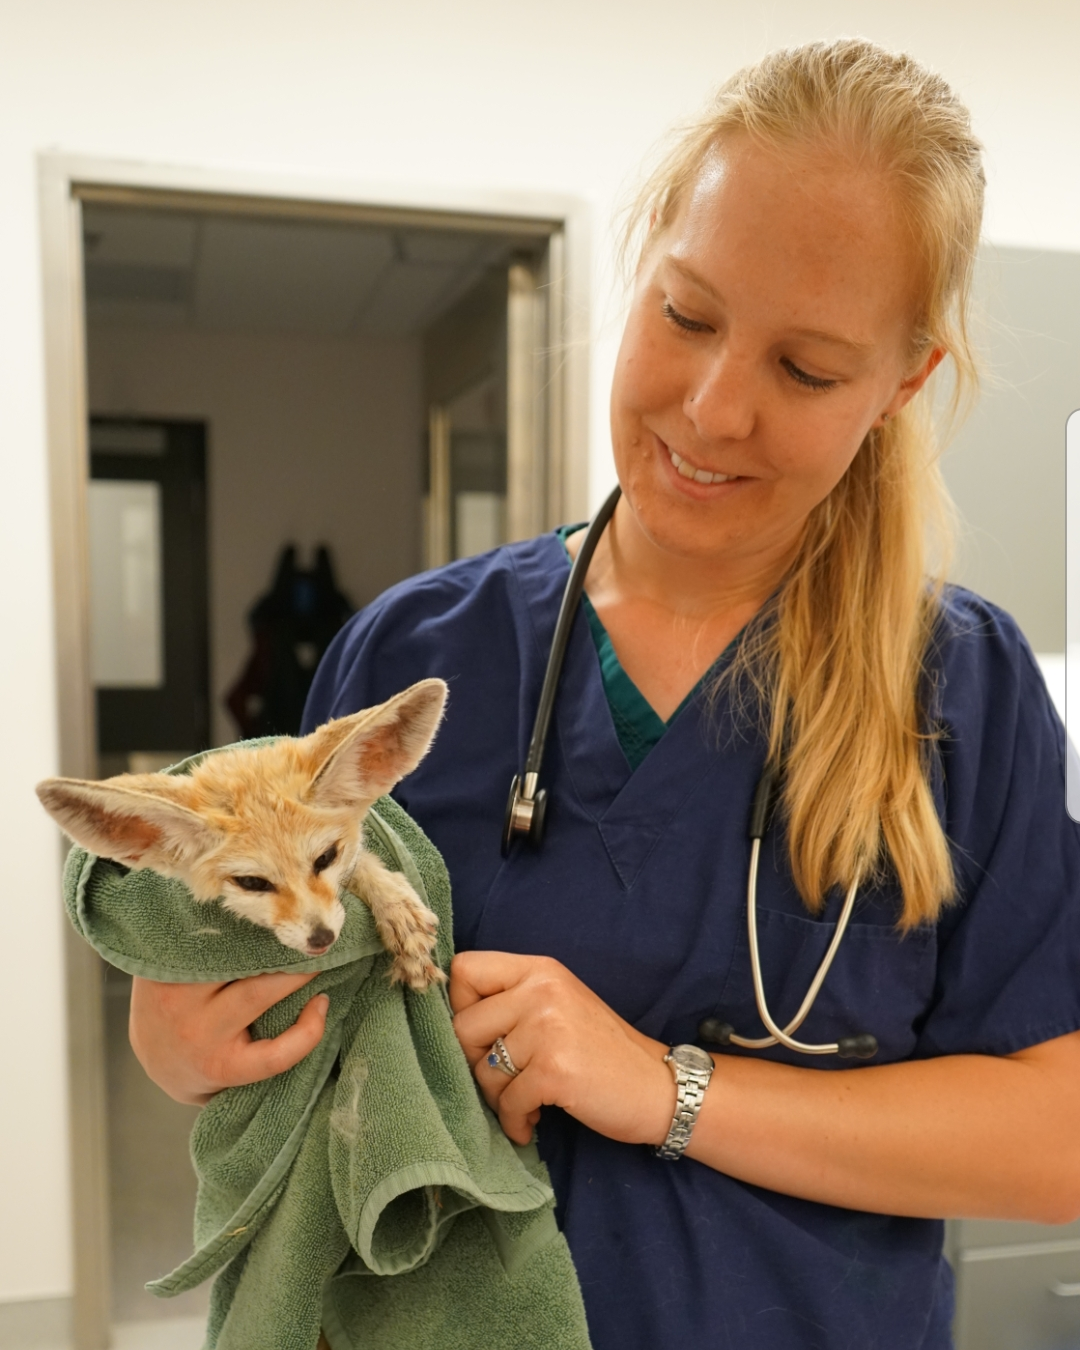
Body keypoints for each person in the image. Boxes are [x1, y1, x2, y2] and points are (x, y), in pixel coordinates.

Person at [129, 38, 1080, 1349]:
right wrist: (184, 1039)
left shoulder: (963, 696)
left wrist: (661, 1087)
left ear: (900, 384)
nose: (710, 408)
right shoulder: (415, 657)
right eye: (687, 315)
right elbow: (280, 1032)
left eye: (805, 370)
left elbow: (1057, 1138)